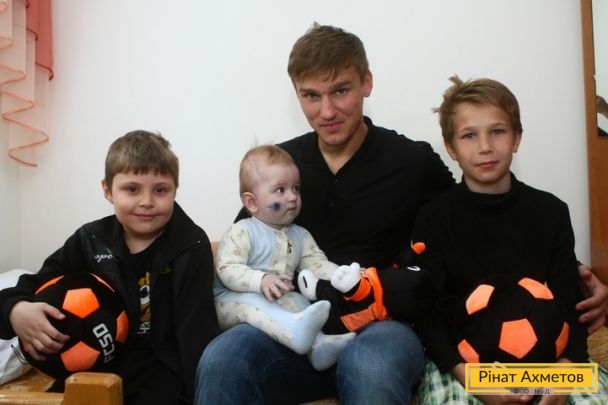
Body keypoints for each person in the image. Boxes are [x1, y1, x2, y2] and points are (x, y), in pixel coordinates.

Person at [194, 24, 608, 405]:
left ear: (367, 82)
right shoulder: (281, 165)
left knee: (371, 368)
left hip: (383, 329)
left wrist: (573, 276)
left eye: (340, 91)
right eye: (311, 96)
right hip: (296, 324)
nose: (327, 111)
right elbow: (243, 243)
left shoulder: (412, 161)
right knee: (223, 357)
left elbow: (477, 219)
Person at [411, 76, 608, 405]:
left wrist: (562, 378)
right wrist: (474, 382)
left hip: (548, 364)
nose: (485, 146)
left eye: (498, 131)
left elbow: (569, 305)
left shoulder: (551, 212)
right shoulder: (432, 219)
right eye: (469, 135)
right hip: (466, 367)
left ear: (517, 137)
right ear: (451, 148)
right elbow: (429, 315)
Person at [0, 130, 219, 405]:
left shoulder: (191, 245)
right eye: (132, 189)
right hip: (92, 369)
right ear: (107, 190)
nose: (147, 201)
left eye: (160, 190)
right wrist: (15, 310)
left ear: (175, 189)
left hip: (162, 376)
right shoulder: (90, 240)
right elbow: (35, 283)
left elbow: (196, 332)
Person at [213, 144, 355, 371]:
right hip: (232, 300)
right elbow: (227, 268)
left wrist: (342, 275)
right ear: (252, 202)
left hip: (276, 297)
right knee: (254, 303)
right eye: (280, 190)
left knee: (299, 302)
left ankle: (318, 347)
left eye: (296, 188)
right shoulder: (242, 231)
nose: (292, 197)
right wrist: (261, 280)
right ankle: (295, 335)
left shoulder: (300, 235)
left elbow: (316, 263)